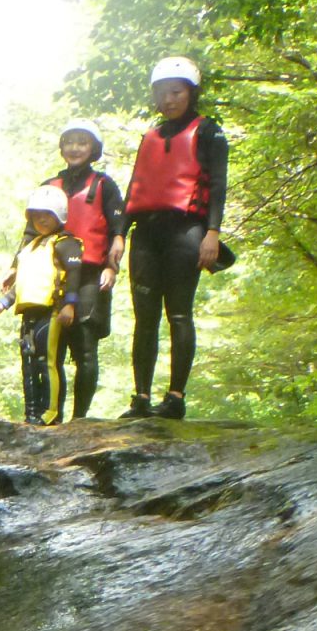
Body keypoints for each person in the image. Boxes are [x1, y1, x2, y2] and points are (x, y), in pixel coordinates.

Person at [119, 56, 232, 421]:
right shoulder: (150, 136)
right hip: (146, 233)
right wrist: (119, 235)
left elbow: (217, 186)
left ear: (191, 93)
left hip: (187, 231)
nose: (168, 100)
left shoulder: (208, 131)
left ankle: (175, 397)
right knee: (145, 318)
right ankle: (140, 397)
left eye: (176, 92)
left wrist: (212, 233)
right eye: (161, 93)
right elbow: (135, 187)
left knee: (179, 314)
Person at [43, 119, 124, 422]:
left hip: (91, 274)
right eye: (69, 141)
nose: (75, 148)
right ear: (62, 146)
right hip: (53, 276)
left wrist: (112, 267)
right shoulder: (50, 186)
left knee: (85, 347)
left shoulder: (104, 185)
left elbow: (118, 226)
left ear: (93, 149)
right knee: (52, 351)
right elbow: (32, 231)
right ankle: (53, 416)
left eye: (82, 142)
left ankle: (81, 418)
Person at [0, 188, 82, 425]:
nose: (41, 219)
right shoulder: (30, 248)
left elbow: (74, 274)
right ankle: (31, 413)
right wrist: (2, 304)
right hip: (29, 312)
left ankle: (49, 413)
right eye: (36, 214)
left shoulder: (66, 243)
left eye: (46, 215)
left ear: (58, 215)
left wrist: (69, 305)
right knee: (29, 363)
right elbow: (23, 283)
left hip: (51, 311)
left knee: (47, 361)